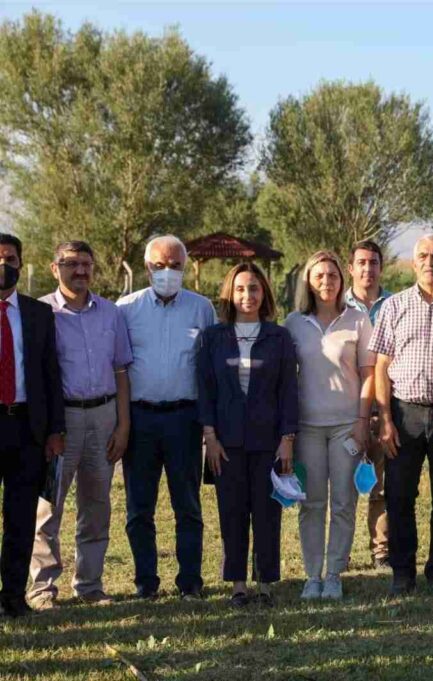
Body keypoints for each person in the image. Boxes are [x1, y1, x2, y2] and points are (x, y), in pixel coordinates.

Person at [29, 241, 132, 610]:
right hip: (62, 421)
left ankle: (89, 585)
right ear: (54, 268)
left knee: (97, 504)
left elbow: (121, 371)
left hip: (104, 417)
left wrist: (123, 426)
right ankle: (41, 589)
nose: (80, 271)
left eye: (86, 263)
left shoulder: (110, 313)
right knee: (47, 507)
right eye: (71, 264)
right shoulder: (40, 312)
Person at [118, 235, 215, 600]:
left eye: (175, 265)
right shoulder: (125, 309)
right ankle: (146, 583)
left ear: (185, 267)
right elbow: (119, 368)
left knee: (187, 506)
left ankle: (190, 583)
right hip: (140, 419)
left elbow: (209, 370)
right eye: (159, 265)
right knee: (138, 507)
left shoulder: (202, 309)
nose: (167, 272)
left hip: (184, 419)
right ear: (146, 268)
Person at [198, 263, 298, 607]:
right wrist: (209, 436)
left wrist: (287, 439)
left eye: (254, 288)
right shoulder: (212, 338)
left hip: (268, 441)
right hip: (225, 443)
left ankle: (266, 582)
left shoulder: (279, 337)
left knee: (267, 513)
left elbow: (289, 390)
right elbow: (205, 388)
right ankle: (238, 584)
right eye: (240, 289)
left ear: (264, 293)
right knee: (232, 512)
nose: (247, 295)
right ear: (229, 293)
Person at [370, 235, 433, 595]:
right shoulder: (394, 306)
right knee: (399, 496)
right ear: (413, 263)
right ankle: (402, 572)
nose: (430, 262)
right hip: (404, 414)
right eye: (423, 255)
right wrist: (385, 418)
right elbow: (380, 366)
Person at [285, 251, 375, 600]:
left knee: (343, 502)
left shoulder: (357, 320)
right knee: (311, 503)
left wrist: (362, 421)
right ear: (308, 280)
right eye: (319, 275)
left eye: (333, 275)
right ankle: (312, 576)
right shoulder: (294, 323)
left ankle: (334, 574)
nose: (326, 281)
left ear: (342, 279)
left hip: (346, 428)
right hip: (306, 428)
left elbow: (369, 375)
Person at [0, 233, 64, 617]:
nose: (3, 264)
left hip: (26, 428)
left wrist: (55, 431)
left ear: (21, 264)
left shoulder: (37, 314)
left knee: (22, 517)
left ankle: (12, 596)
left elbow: (50, 375)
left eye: (10, 257)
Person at [344, 239, 392, 569]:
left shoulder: (394, 305)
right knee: (342, 488)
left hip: (385, 406)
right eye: (361, 262)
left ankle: (382, 551)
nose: (367, 268)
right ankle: (339, 553)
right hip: (345, 409)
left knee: (381, 487)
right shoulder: (337, 305)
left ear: (380, 267)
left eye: (373, 262)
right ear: (351, 268)